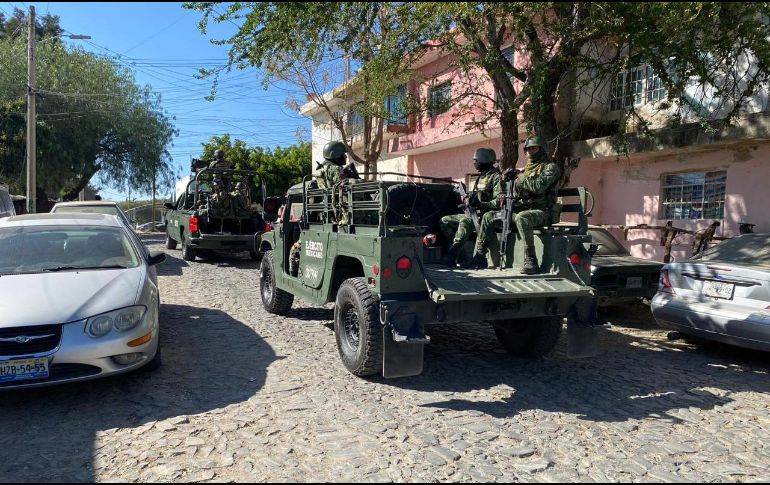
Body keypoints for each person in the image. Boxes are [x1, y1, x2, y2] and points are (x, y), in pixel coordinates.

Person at [467, 136, 562, 273]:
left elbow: (538, 187)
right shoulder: (526, 169)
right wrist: (506, 183)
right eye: (528, 149)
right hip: (523, 208)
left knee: (522, 217)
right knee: (489, 216)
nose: (530, 151)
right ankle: (480, 256)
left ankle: (531, 260)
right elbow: (516, 190)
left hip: (543, 211)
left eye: (533, 148)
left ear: (542, 149)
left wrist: (518, 177)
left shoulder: (551, 167)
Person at [440, 148, 502, 267]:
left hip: (487, 215)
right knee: (444, 221)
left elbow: (498, 202)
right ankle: (460, 254)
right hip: (473, 213)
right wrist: (467, 200)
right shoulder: (480, 177)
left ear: (483, 160)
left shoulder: (495, 177)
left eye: (476, 160)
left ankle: (453, 255)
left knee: (464, 221)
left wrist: (481, 204)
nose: (474, 163)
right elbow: (475, 196)